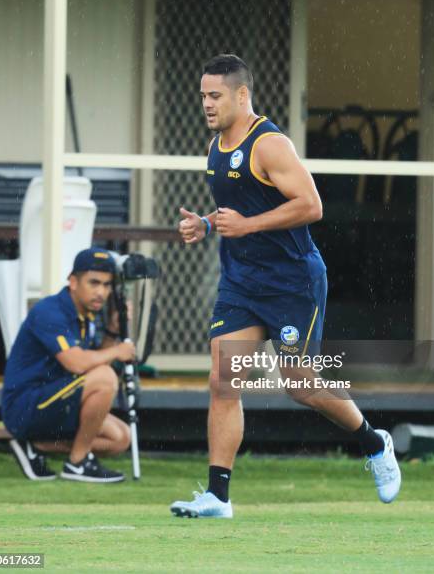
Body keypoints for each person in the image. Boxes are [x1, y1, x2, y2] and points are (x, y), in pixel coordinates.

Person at [171, 54, 401, 518]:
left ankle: (374, 442)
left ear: (242, 94)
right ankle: (219, 496)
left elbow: (311, 205)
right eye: (202, 96)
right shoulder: (216, 145)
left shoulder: (270, 144)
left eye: (215, 96)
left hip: (293, 283)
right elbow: (239, 209)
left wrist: (249, 226)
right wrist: (207, 226)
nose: (207, 105)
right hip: (241, 283)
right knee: (222, 379)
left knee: (299, 384)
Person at [1, 247, 136, 483]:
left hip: (59, 398)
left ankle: (35, 445)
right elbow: (77, 363)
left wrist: (114, 329)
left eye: (106, 285)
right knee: (105, 378)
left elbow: (94, 359)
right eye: (94, 283)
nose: (101, 292)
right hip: (25, 407)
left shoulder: (87, 315)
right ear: (73, 282)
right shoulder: (49, 310)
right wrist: (119, 350)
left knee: (120, 438)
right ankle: (77, 463)